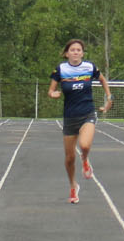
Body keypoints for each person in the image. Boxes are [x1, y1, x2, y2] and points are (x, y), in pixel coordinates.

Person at [47, 39, 113, 204]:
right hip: (70, 117)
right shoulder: (61, 69)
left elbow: (103, 80)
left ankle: (85, 159)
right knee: (69, 158)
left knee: (84, 145)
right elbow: (51, 89)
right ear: (67, 53)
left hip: (87, 113)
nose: (75, 52)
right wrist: (52, 94)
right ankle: (73, 186)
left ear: (82, 53)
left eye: (78, 50)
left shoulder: (89, 67)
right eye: (72, 50)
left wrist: (109, 98)